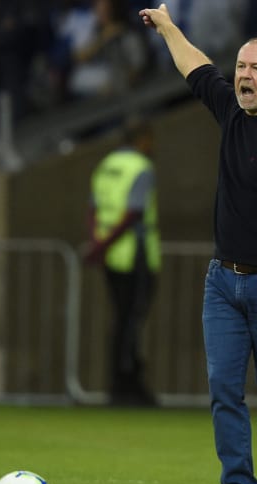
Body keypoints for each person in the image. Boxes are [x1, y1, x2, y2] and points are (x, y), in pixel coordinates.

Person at [140, 5, 257, 484]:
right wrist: (170, 27)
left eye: (255, 69)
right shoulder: (231, 113)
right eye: (241, 67)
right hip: (222, 281)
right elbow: (195, 67)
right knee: (224, 392)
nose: (243, 76)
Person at [84, 116, 161, 406]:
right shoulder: (141, 167)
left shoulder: (106, 165)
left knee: (121, 319)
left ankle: (121, 381)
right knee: (131, 322)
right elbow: (134, 213)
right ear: (142, 139)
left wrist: (97, 244)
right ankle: (128, 385)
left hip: (109, 257)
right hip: (135, 256)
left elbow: (92, 209)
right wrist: (103, 245)